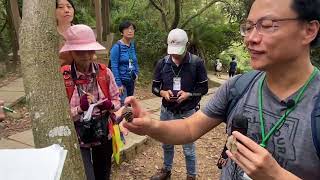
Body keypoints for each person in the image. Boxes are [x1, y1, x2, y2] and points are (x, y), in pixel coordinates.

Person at [122, 0, 320, 179]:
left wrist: (276, 176)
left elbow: (202, 87)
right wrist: (150, 125)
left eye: (267, 26)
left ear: (309, 30)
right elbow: (190, 128)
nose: (250, 38)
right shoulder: (239, 86)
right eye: (249, 27)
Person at [60, 24, 121, 180]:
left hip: (102, 133)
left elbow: (116, 101)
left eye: (89, 50)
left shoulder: (104, 73)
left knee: (103, 174)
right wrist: (79, 109)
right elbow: (60, 115)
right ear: (71, 52)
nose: (86, 55)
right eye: (80, 51)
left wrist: (110, 105)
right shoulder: (64, 77)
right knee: (86, 175)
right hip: (78, 137)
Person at [150, 28, 208, 180]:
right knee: (166, 143)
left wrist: (189, 94)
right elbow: (155, 87)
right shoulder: (162, 63)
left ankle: (191, 176)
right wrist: (163, 93)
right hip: (167, 111)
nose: (175, 54)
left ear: (187, 45)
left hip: (188, 112)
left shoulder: (197, 63)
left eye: (179, 51)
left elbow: (204, 88)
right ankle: (166, 170)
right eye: (172, 50)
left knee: (188, 148)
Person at [109, 21, 139, 105]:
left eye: (132, 29)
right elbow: (113, 66)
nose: (130, 31)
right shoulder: (116, 47)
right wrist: (118, 84)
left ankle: (129, 118)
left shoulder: (132, 45)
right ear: (121, 32)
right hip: (122, 82)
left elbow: (135, 61)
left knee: (129, 103)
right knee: (123, 105)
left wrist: (136, 72)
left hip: (131, 81)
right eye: (127, 29)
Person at [56, 0, 75, 66]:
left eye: (69, 6)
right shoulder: (49, 33)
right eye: (61, 7)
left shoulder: (81, 31)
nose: (66, 10)